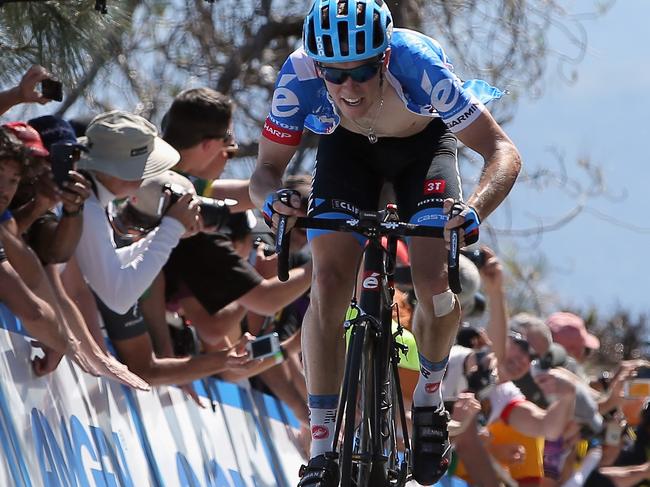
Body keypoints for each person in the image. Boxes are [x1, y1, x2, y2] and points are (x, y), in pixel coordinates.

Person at [249, 1, 522, 485]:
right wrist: (275, 201)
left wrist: (474, 209)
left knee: (435, 287)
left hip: (424, 150)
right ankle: (321, 448)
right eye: (335, 73)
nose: (347, 86)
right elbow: (265, 172)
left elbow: (502, 151)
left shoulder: (418, 64)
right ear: (319, 66)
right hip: (348, 151)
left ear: (385, 60)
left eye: (361, 71)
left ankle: (428, 399)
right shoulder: (299, 74)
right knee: (329, 283)